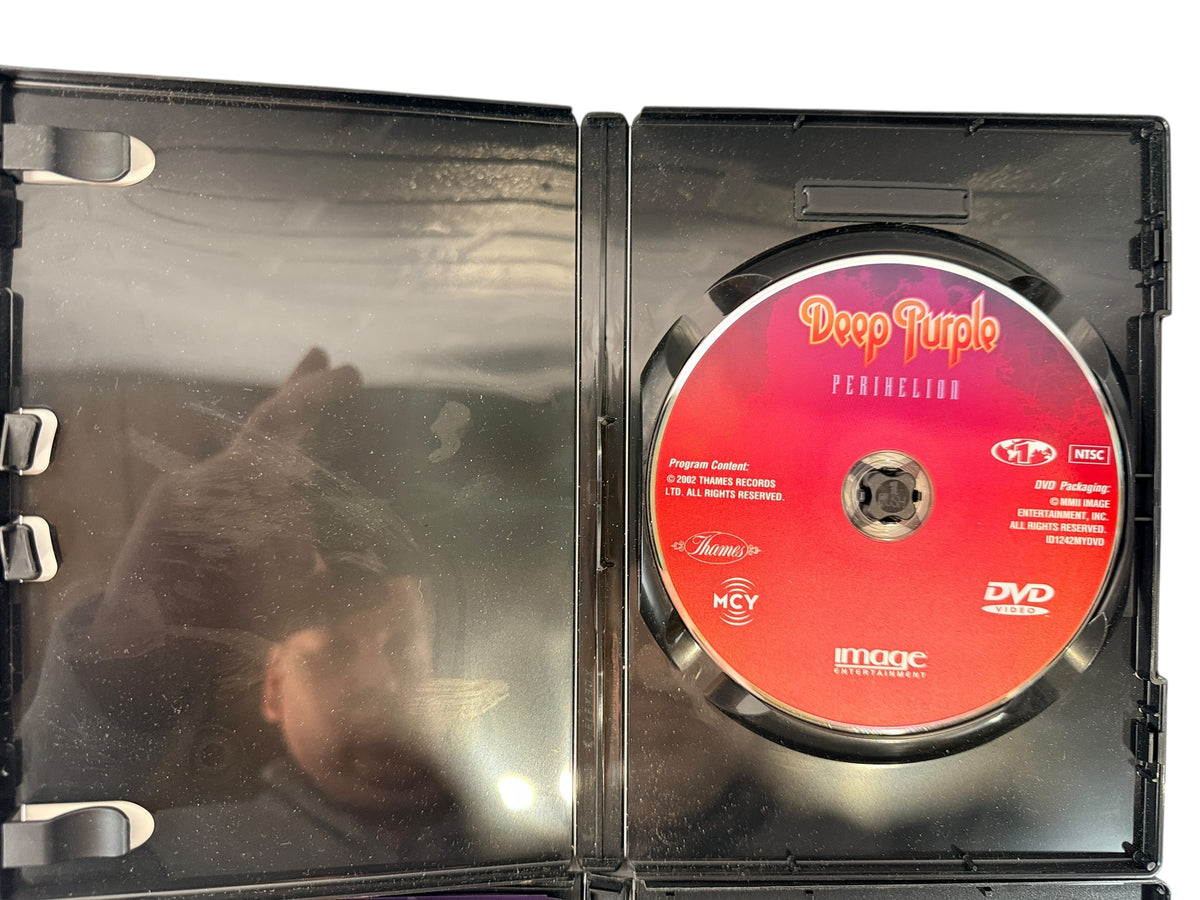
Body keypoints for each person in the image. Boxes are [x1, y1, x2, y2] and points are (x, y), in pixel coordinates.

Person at [16, 350, 474, 888]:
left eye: (400, 646)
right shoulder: (181, 864)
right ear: (273, 690)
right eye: (331, 653)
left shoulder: (537, 823)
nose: (377, 682)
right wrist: (129, 657)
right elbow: (43, 875)